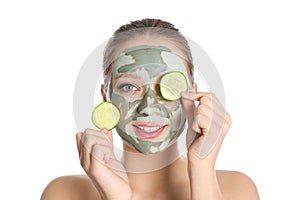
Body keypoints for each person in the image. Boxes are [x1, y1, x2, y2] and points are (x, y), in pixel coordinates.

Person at [41, 18, 260, 200]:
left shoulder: (237, 190)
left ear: (192, 96)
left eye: (168, 86)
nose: (148, 106)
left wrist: (202, 169)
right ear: (106, 96)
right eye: (129, 87)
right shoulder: (63, 193)